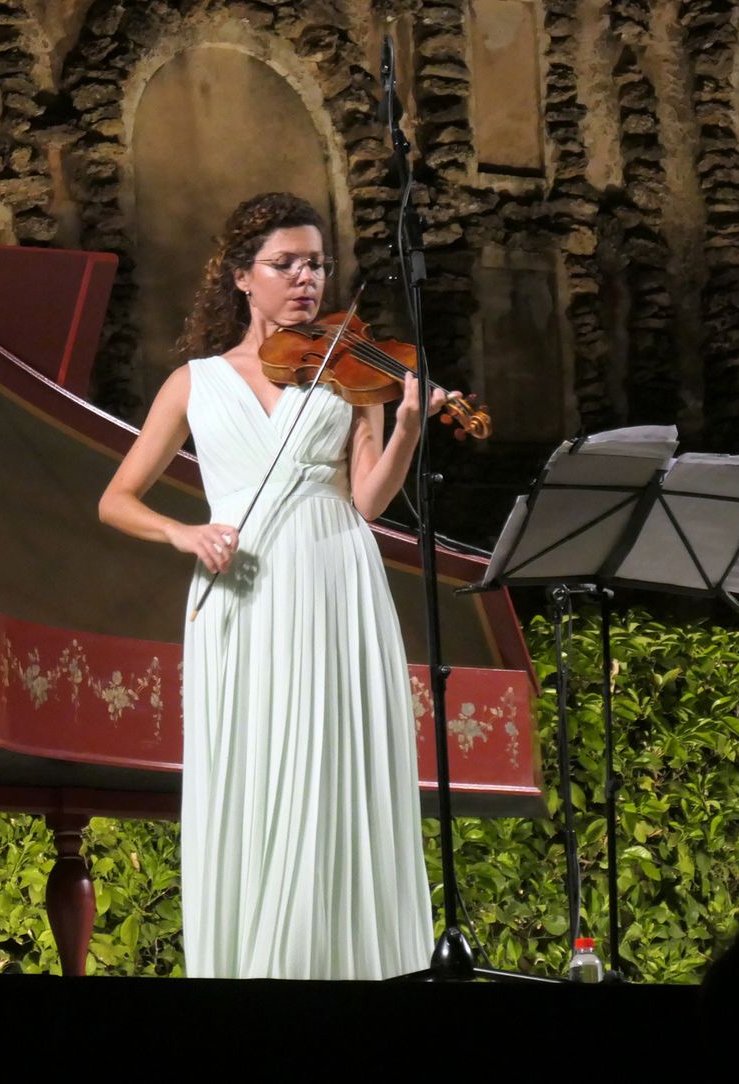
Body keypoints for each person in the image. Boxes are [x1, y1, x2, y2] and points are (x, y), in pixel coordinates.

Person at [99, 193, 443, 979]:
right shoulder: (193, 383)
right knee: (252, 776)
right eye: (284, 264)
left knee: (332, 777)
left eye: (316, 265)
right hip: (241, 598)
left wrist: (412, 425)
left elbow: (365, 499)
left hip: (333, 580)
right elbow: (115, 500)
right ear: (240, 278)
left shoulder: (352, 371)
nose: (305, 279)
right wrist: (184, 532)